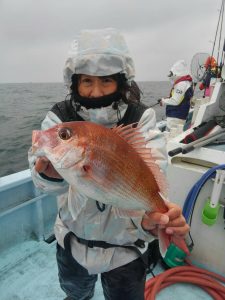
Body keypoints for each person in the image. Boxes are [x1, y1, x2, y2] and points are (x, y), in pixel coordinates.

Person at [28, 28, 189, 300]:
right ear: (74, 82)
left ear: (121, 81)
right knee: (75, 293)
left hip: (125, 249)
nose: (95, 90)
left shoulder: (141, 118)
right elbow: (42, 174)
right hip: (72, 241)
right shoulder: (60, 117)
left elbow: (152, 170)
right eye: (87, 81)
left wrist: (153, 219)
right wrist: (51, 175)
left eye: (106, 80)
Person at [159, 59, 193, 131]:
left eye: (171, 74)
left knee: (169, 136)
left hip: (175, 118)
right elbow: (181, 97)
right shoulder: (186, 83)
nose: (170, 76)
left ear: (177, 73)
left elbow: (175, 101)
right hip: (179, 117)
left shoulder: (181, 84)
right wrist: (168, 98)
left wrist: (163, 101)